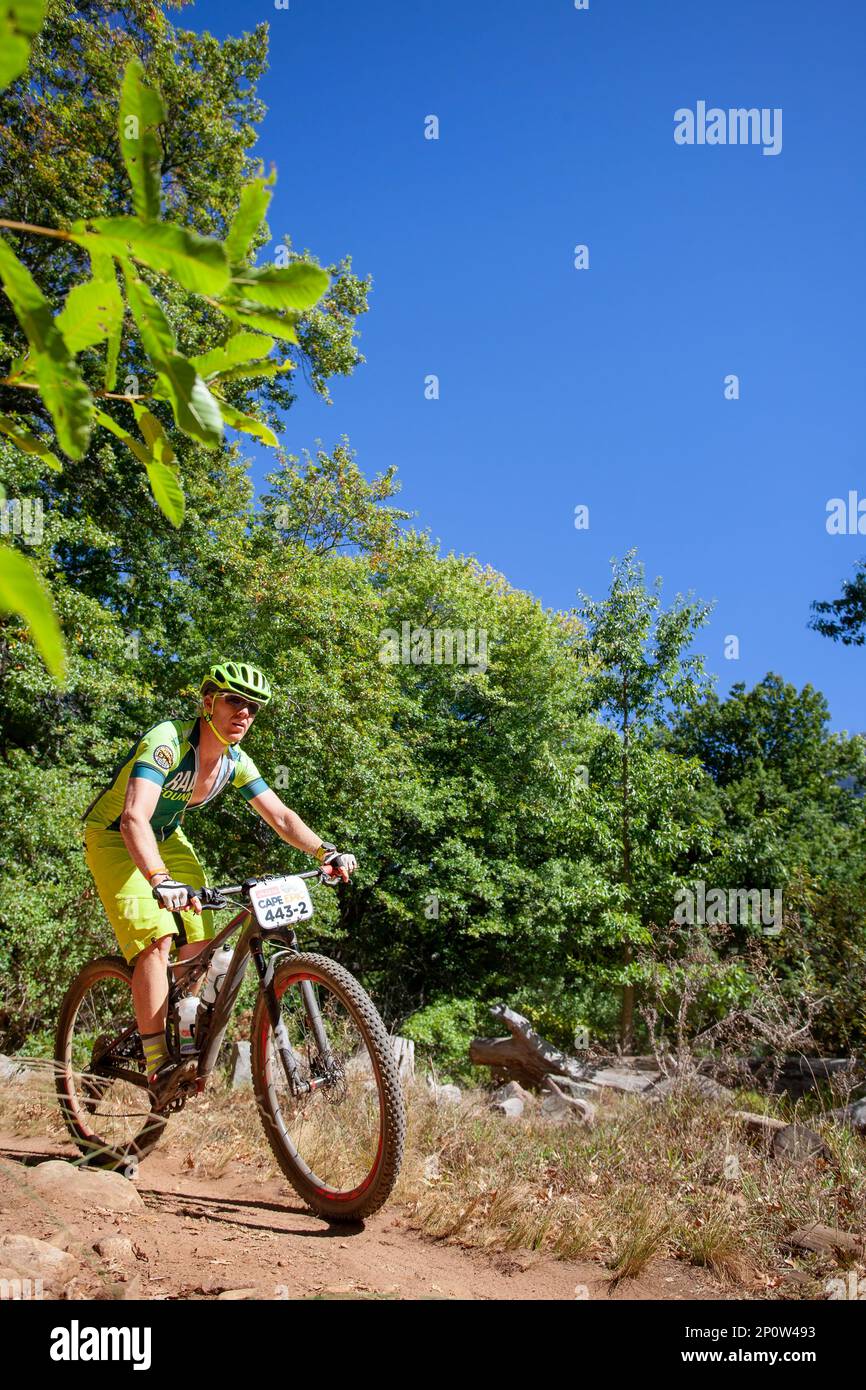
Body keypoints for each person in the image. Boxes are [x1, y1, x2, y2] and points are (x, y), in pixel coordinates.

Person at [81, 660, 356, 1105]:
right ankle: (157, 1061)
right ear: (208, 702)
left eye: (252, 707)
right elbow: (133, 816)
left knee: (203, 950)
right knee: (158, 939)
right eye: (234, 701)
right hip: (116, 836)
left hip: (167, 836)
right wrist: (160, 879)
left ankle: (182, 1026)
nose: (244, 713)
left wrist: (326, 851)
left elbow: (281, 816)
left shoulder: (234, 761)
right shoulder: (167, 742)